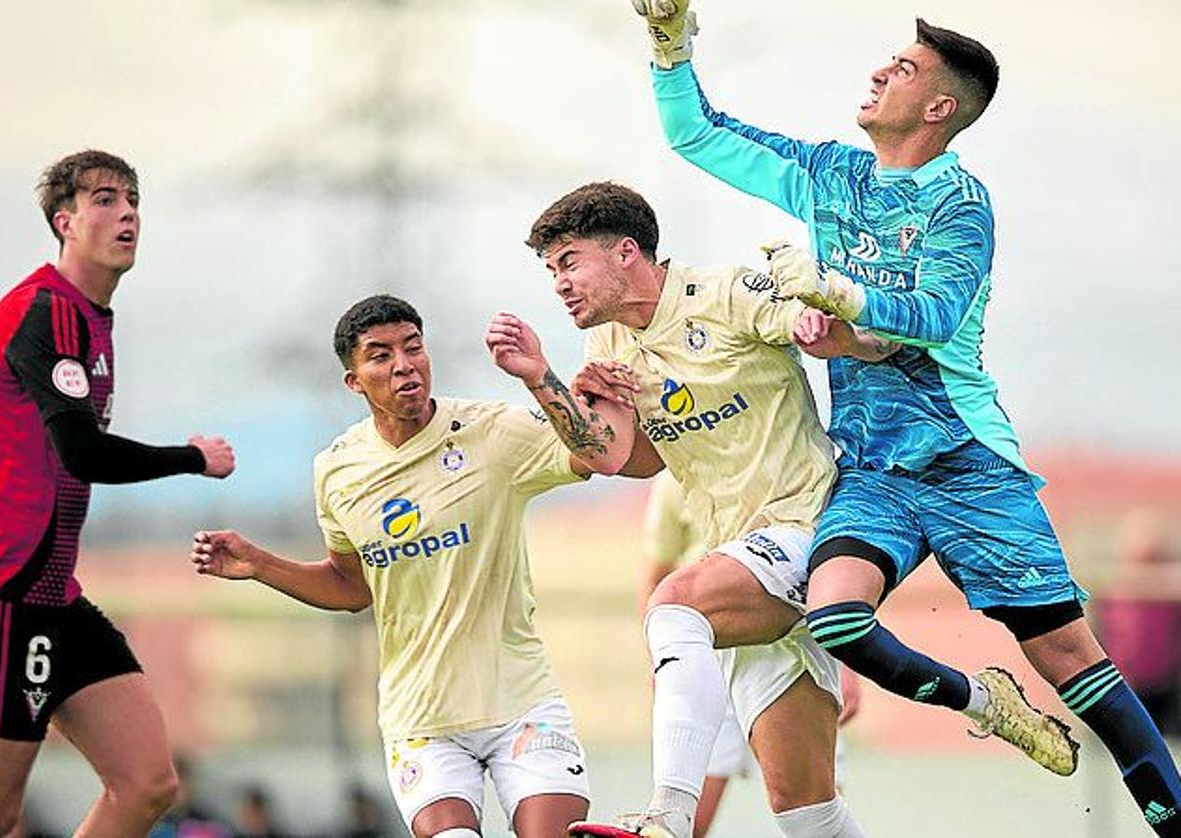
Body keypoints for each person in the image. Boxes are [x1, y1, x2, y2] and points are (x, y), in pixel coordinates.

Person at [629, 3, 1181, 832]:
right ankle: (982, 704)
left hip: (969, 464)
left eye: (905, 68)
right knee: (837, 615)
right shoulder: (830, 176)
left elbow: (934, 313)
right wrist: (670, 48)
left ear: (938, 108)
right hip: (874, 475)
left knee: (1070, 657)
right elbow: (698, 137)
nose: (881, 71)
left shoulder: (963, 204)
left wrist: (838, 298)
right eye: (888, 60)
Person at [486, 181, 889, 837]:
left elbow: (838, 333)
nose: (558, 283)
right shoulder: (609, 345)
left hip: (810, 529)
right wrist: (542, 379)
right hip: (746, 558)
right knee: (805, 808)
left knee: (673, 605)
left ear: (625, 253)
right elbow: (624, 458)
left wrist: (829, 328)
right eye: (550, 269)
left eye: (568, 261)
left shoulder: (725, 294)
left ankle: (666, 818)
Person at [190, 294, 628, 838]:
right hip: (421, 722)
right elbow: (351, 586)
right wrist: (260, 564)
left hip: (521, 703)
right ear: (354, 381)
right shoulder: (338, 471)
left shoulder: (491, 432)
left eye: (413, 347)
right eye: (380, 355)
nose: (403, 364)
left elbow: (600, 453)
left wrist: (539, 376)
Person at [0, 150, 236, 838]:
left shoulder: (92, 318)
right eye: (103, 199)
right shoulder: (48, 313)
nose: (125, 212)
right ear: (63, 222)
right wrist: (192, 459)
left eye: (131, 199)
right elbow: (83, 451)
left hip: (55, 594)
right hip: (5, 593)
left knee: (147, 784)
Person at [639, 473, 862, 838]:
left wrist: (848, 663)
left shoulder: (799, 459)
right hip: (710, 661)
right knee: (688, 825)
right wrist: (662, 656)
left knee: (813, 814)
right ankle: (669, 812)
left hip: (794, 644)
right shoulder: (672, 480)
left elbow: (840, 572)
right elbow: (656, 573)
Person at [1098, 513, 1181, 738]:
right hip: (1122, 684)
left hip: (1165, 688)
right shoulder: (1112, 593)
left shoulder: (1170, 593)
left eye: (1152, 559)